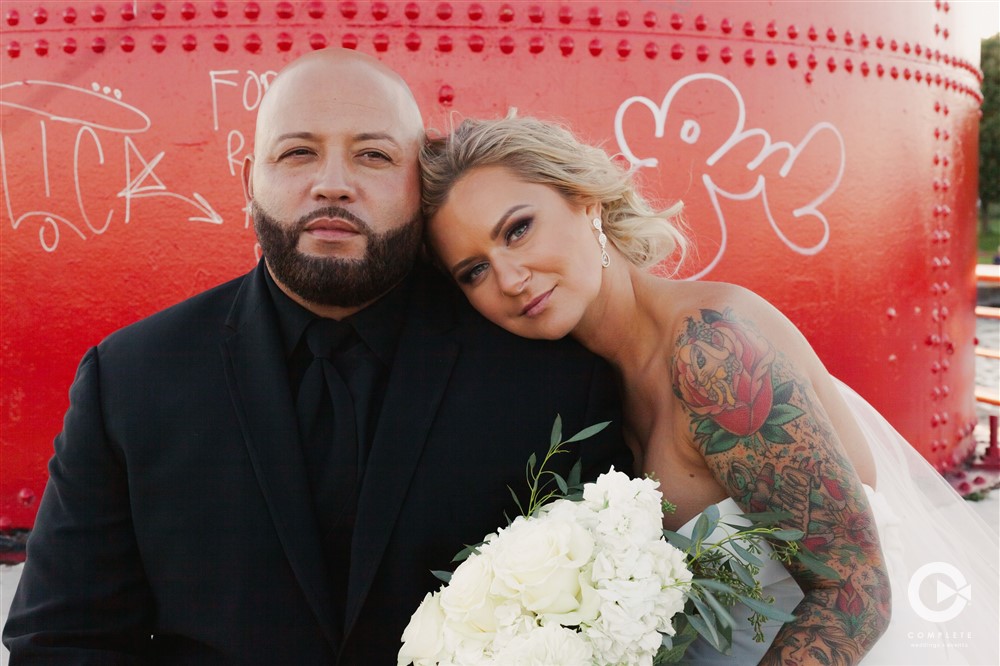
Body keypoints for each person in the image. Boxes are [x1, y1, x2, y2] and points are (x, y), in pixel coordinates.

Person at [2, 51, 629, 664]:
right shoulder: (130, 380)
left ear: (420, 183)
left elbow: (606, 627)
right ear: (249, 179)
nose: (333, 183)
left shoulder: (553, 381)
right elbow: (62, 639)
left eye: (374, 155)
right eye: (298, 152)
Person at [420, 115, 1000, 665]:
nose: (509, 279)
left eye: (518, 230)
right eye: (473, 270)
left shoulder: (711, 352)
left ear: (585, 201)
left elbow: (856, 592)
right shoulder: (593, 388)